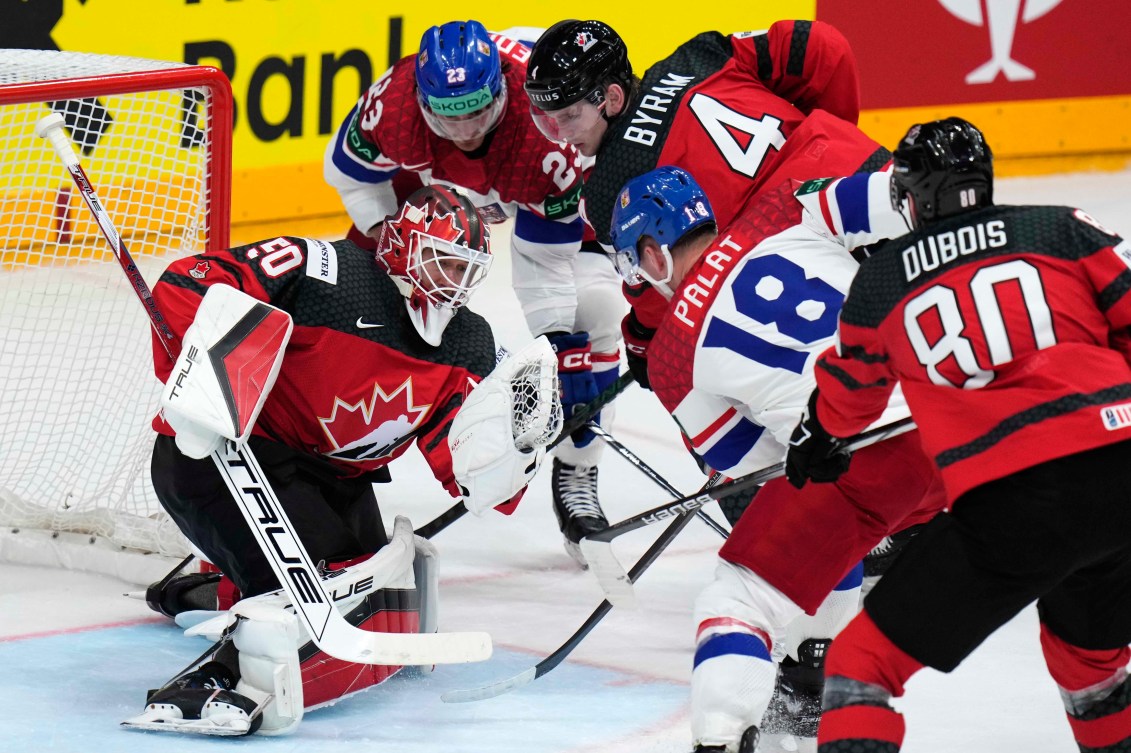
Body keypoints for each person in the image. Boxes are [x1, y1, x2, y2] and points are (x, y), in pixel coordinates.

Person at [127, 186, 552, 735]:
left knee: (368, 590)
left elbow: (466, 466)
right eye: (440, 260)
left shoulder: (468, 340)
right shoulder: (324, 271)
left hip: (333, 479)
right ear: (400, 247)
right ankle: (228, 673)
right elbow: (187, 283)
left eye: (465, 269)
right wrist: (209, 373)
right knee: (317, 594)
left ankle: (197, 590)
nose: (452, 281)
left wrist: (515, 446)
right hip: (228, 460)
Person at [786, 118, 1131, 752]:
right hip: (1120, 465)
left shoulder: (885, 278)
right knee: (1093, 668)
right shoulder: (1064, 227)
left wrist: (817, 434)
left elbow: (850, 401)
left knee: (862, 665)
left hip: (1014, 499)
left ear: (913, 199)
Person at [609, 165, 946, 753]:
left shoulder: (670, 359)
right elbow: (913, 190)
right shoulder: (783, 207)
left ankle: (726, 734)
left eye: (636, 265)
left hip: (865, 453)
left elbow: (759, 470)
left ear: (651, 250)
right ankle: (813, 678)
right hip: (956, 399)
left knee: (738, 596)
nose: (642, 281)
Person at [325, 20, 626, 562]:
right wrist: (385, 237)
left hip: (554, 183)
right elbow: (349, 173)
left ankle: (579, 469)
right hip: (449, 189)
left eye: (475, 111)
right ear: (420, 98)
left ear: (503, 91)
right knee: (366, 295)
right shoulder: (392, 106)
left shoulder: (549, 135)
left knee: (594, 310)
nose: (464, 130)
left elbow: (544, 263)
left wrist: (557, 346)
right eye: (447, 113)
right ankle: (339, 447)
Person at [525, 18, 891, 394]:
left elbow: (661, 294)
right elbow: (822, 46)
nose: (562, 137)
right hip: (873, 180)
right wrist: (831, 142)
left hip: (815, 259)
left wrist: (641, 344)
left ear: (613, 98)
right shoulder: (700, 56)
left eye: (568, 117)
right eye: (547, 121)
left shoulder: (611, 191)